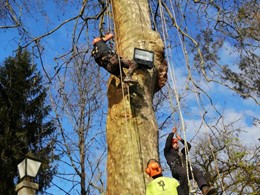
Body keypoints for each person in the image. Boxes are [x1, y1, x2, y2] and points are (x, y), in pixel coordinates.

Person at [164, 127, 217, 195]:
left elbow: (188, 146)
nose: (176, 144)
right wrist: (172, 133)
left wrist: (181, 139)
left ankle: (204, 188)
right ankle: (184, 193)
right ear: (171, 145)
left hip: (185, 169)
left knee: (196, 170)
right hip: (176, 169)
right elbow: (168, 141)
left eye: (177, 143)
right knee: (183, 172)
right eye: (174, 143)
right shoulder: (168, 151)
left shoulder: (181, 153)